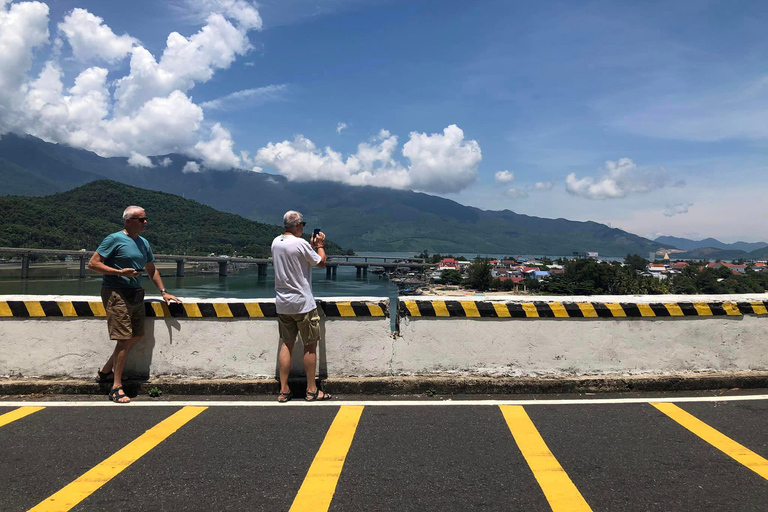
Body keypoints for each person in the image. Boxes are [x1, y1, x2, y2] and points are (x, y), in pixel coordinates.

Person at [88, 205, 180, 404]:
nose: (145, 222)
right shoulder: (113, 239)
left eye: (145, 219)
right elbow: (93, 264)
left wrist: (164, 292)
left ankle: (105, 372)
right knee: (123, 338)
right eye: (141, 219)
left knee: (137, 334)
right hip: (116, 293)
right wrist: (119, 273)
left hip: (136, 292)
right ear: (128, 220)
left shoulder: (143, 242)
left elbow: (151, 269)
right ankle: (116, 386)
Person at [271, 210, 331, 403]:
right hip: (303, 304)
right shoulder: (301, 243)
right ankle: (312, 390)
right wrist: (320, 246)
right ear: (297, 226)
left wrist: (310, 248)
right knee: (309, 346)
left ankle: (283, 390)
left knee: (286, 345)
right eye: (302, 225)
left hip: (283, 304)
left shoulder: (275, 242)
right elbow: (321, 263)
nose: (303, 228)